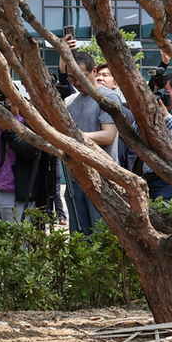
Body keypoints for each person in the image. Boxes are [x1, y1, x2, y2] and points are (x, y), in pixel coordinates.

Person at [57, 49, 118, 233]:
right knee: (79, 239)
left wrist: (74, 137)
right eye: (71, 77)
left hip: (102, 181)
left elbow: (108, 136)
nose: (76, 82)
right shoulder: (69, 101)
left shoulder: (107, 97)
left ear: (94, 72)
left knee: (101, 239)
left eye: (81, 76)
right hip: (75, 179)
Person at [0, 99, 41, 242]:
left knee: (17, 246)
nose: (0, 109)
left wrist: (8, 129)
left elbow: (28, 152)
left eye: (5, 104)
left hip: (15, 195)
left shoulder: (27, 124)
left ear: (16, 103)